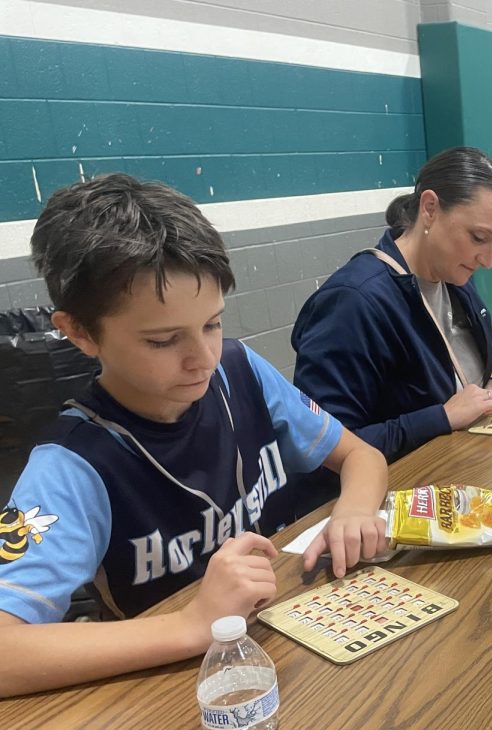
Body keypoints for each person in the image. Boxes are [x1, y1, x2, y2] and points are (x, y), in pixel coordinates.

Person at [0, 174, 389, 698]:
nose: (202, 359)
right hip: (184, 693)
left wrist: (355, 512)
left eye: (212, 324)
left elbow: (360, 455)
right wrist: (189, 622)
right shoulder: (71, 464)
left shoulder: (240, 368)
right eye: (163, 341)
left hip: (295, 650)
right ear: (80, 333)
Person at [292, 147, 492, 464]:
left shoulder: (453, 277)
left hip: (453, 470)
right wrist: (442, 417)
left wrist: (485, 390)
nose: (487, 261)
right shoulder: (354, 301)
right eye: (478, 237)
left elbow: (432, 387)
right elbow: (323, 447)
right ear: (430, 208)